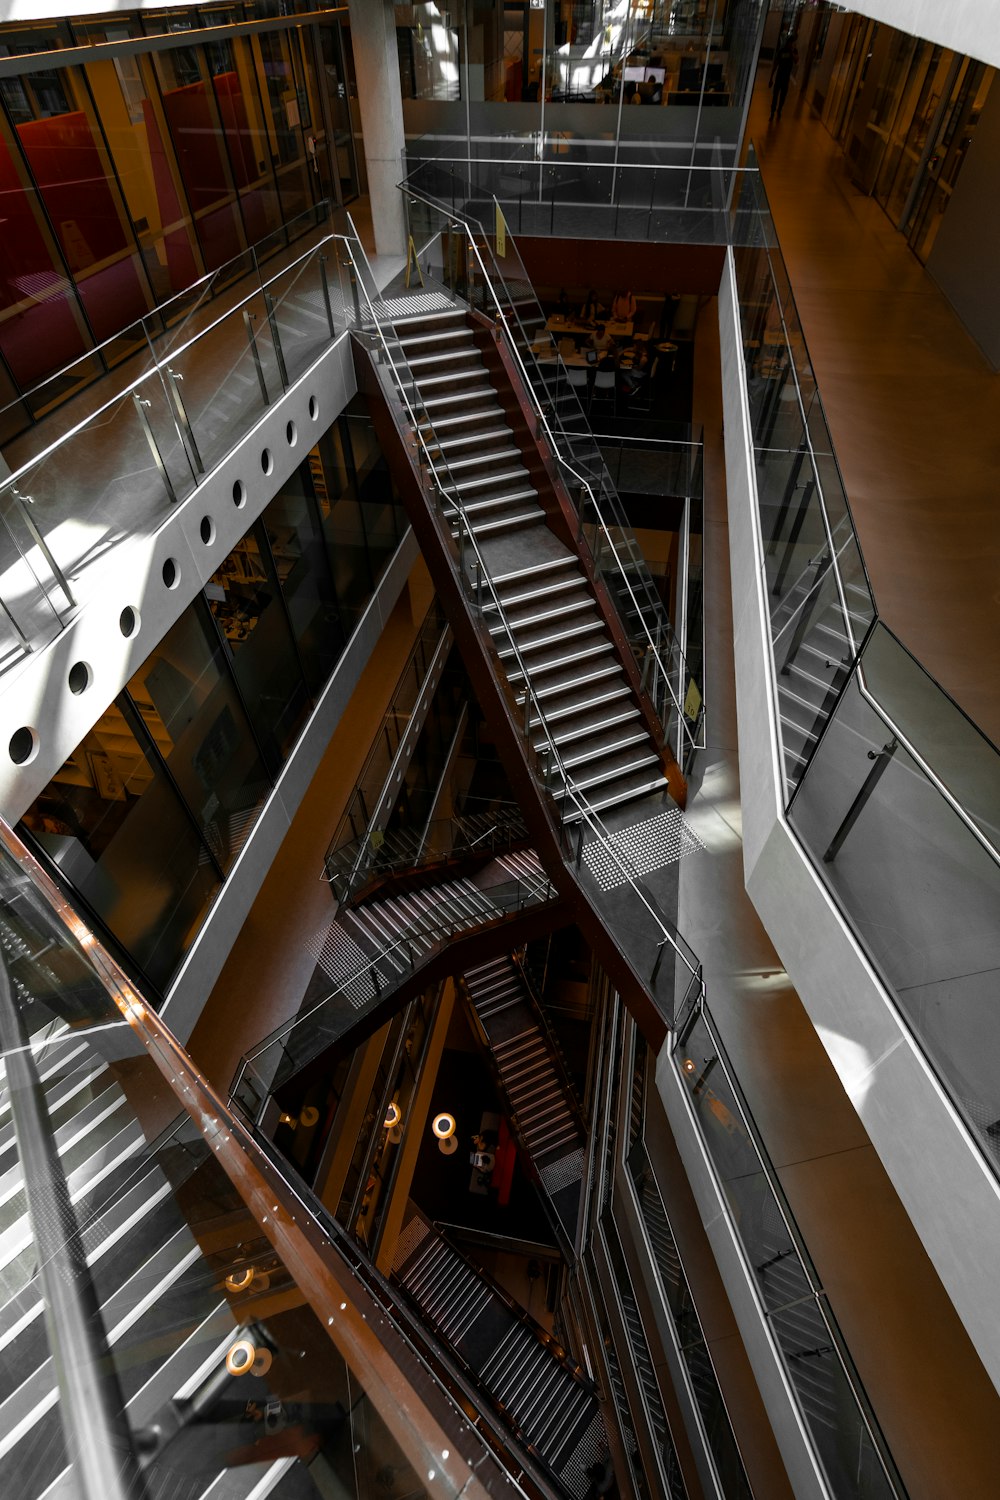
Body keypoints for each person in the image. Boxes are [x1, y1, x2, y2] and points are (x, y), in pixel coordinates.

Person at [769, 32, 798, 122]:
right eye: (790, 42)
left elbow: (796, 60)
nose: (791, 44)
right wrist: (771, 78)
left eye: (793, 42)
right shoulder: (781, 51)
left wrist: (792, 52)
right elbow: (776, 64)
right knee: (775, 96)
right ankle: (772, 112)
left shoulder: (794, 51)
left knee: (783, 97)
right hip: (779, 78)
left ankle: (779, 110)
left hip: (786, 80)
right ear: (787, 42)